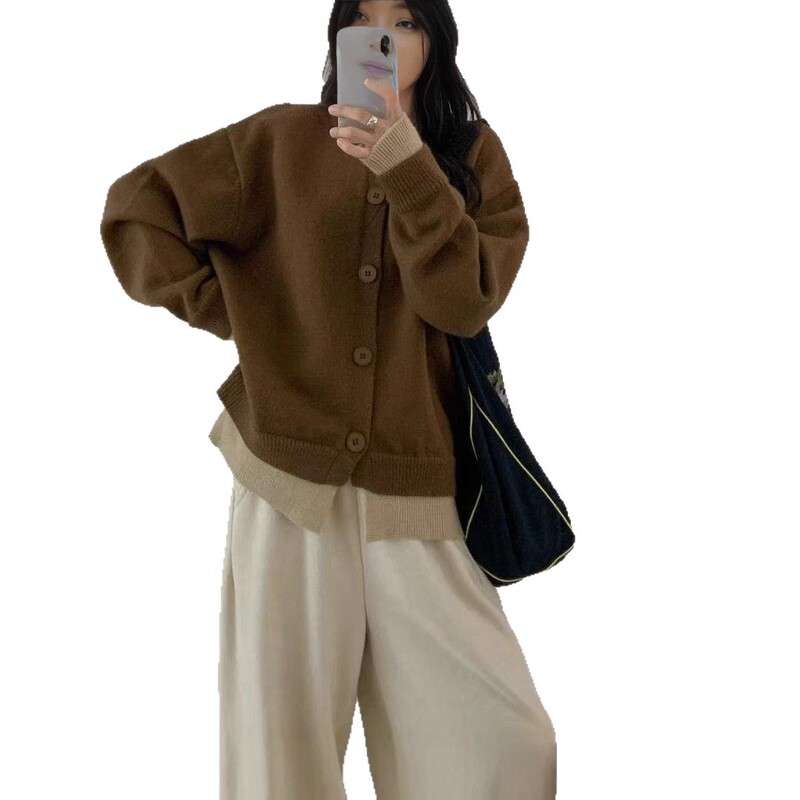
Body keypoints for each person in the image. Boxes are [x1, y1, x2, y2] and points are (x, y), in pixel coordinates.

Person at [99, 0, 558, 797]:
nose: (386, 38)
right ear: (341, 36)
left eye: (406, 21)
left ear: (437, 38)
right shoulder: (280, 141)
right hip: (288, 488)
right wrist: (249, 320)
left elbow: (462, 303)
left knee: (504, 744)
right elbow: (138, 210)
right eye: (366, 19)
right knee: (279, 752)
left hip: (417, 497)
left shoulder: (472, 156)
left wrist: (407, 163)